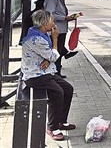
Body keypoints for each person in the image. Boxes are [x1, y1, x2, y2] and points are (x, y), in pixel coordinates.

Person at [21, 10, 75, 141]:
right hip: (35, 76)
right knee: (57, 92)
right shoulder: (37, 38)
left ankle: (60, 121)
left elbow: (49, 56)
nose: (54, 22)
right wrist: (55, 39)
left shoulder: (39, 33)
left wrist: (48, 58)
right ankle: (51, 127)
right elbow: (54, 55)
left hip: (46, 71)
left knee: (68, 89)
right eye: (52, 20)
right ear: (45, 23)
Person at [45, 0, 78, 78]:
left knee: (59, 50)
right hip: (56, 30)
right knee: (56, 51)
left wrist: (69, 17)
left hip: (62, 28)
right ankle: (55, 73)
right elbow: (50, 14)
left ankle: (57, 71)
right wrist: (64, 18)